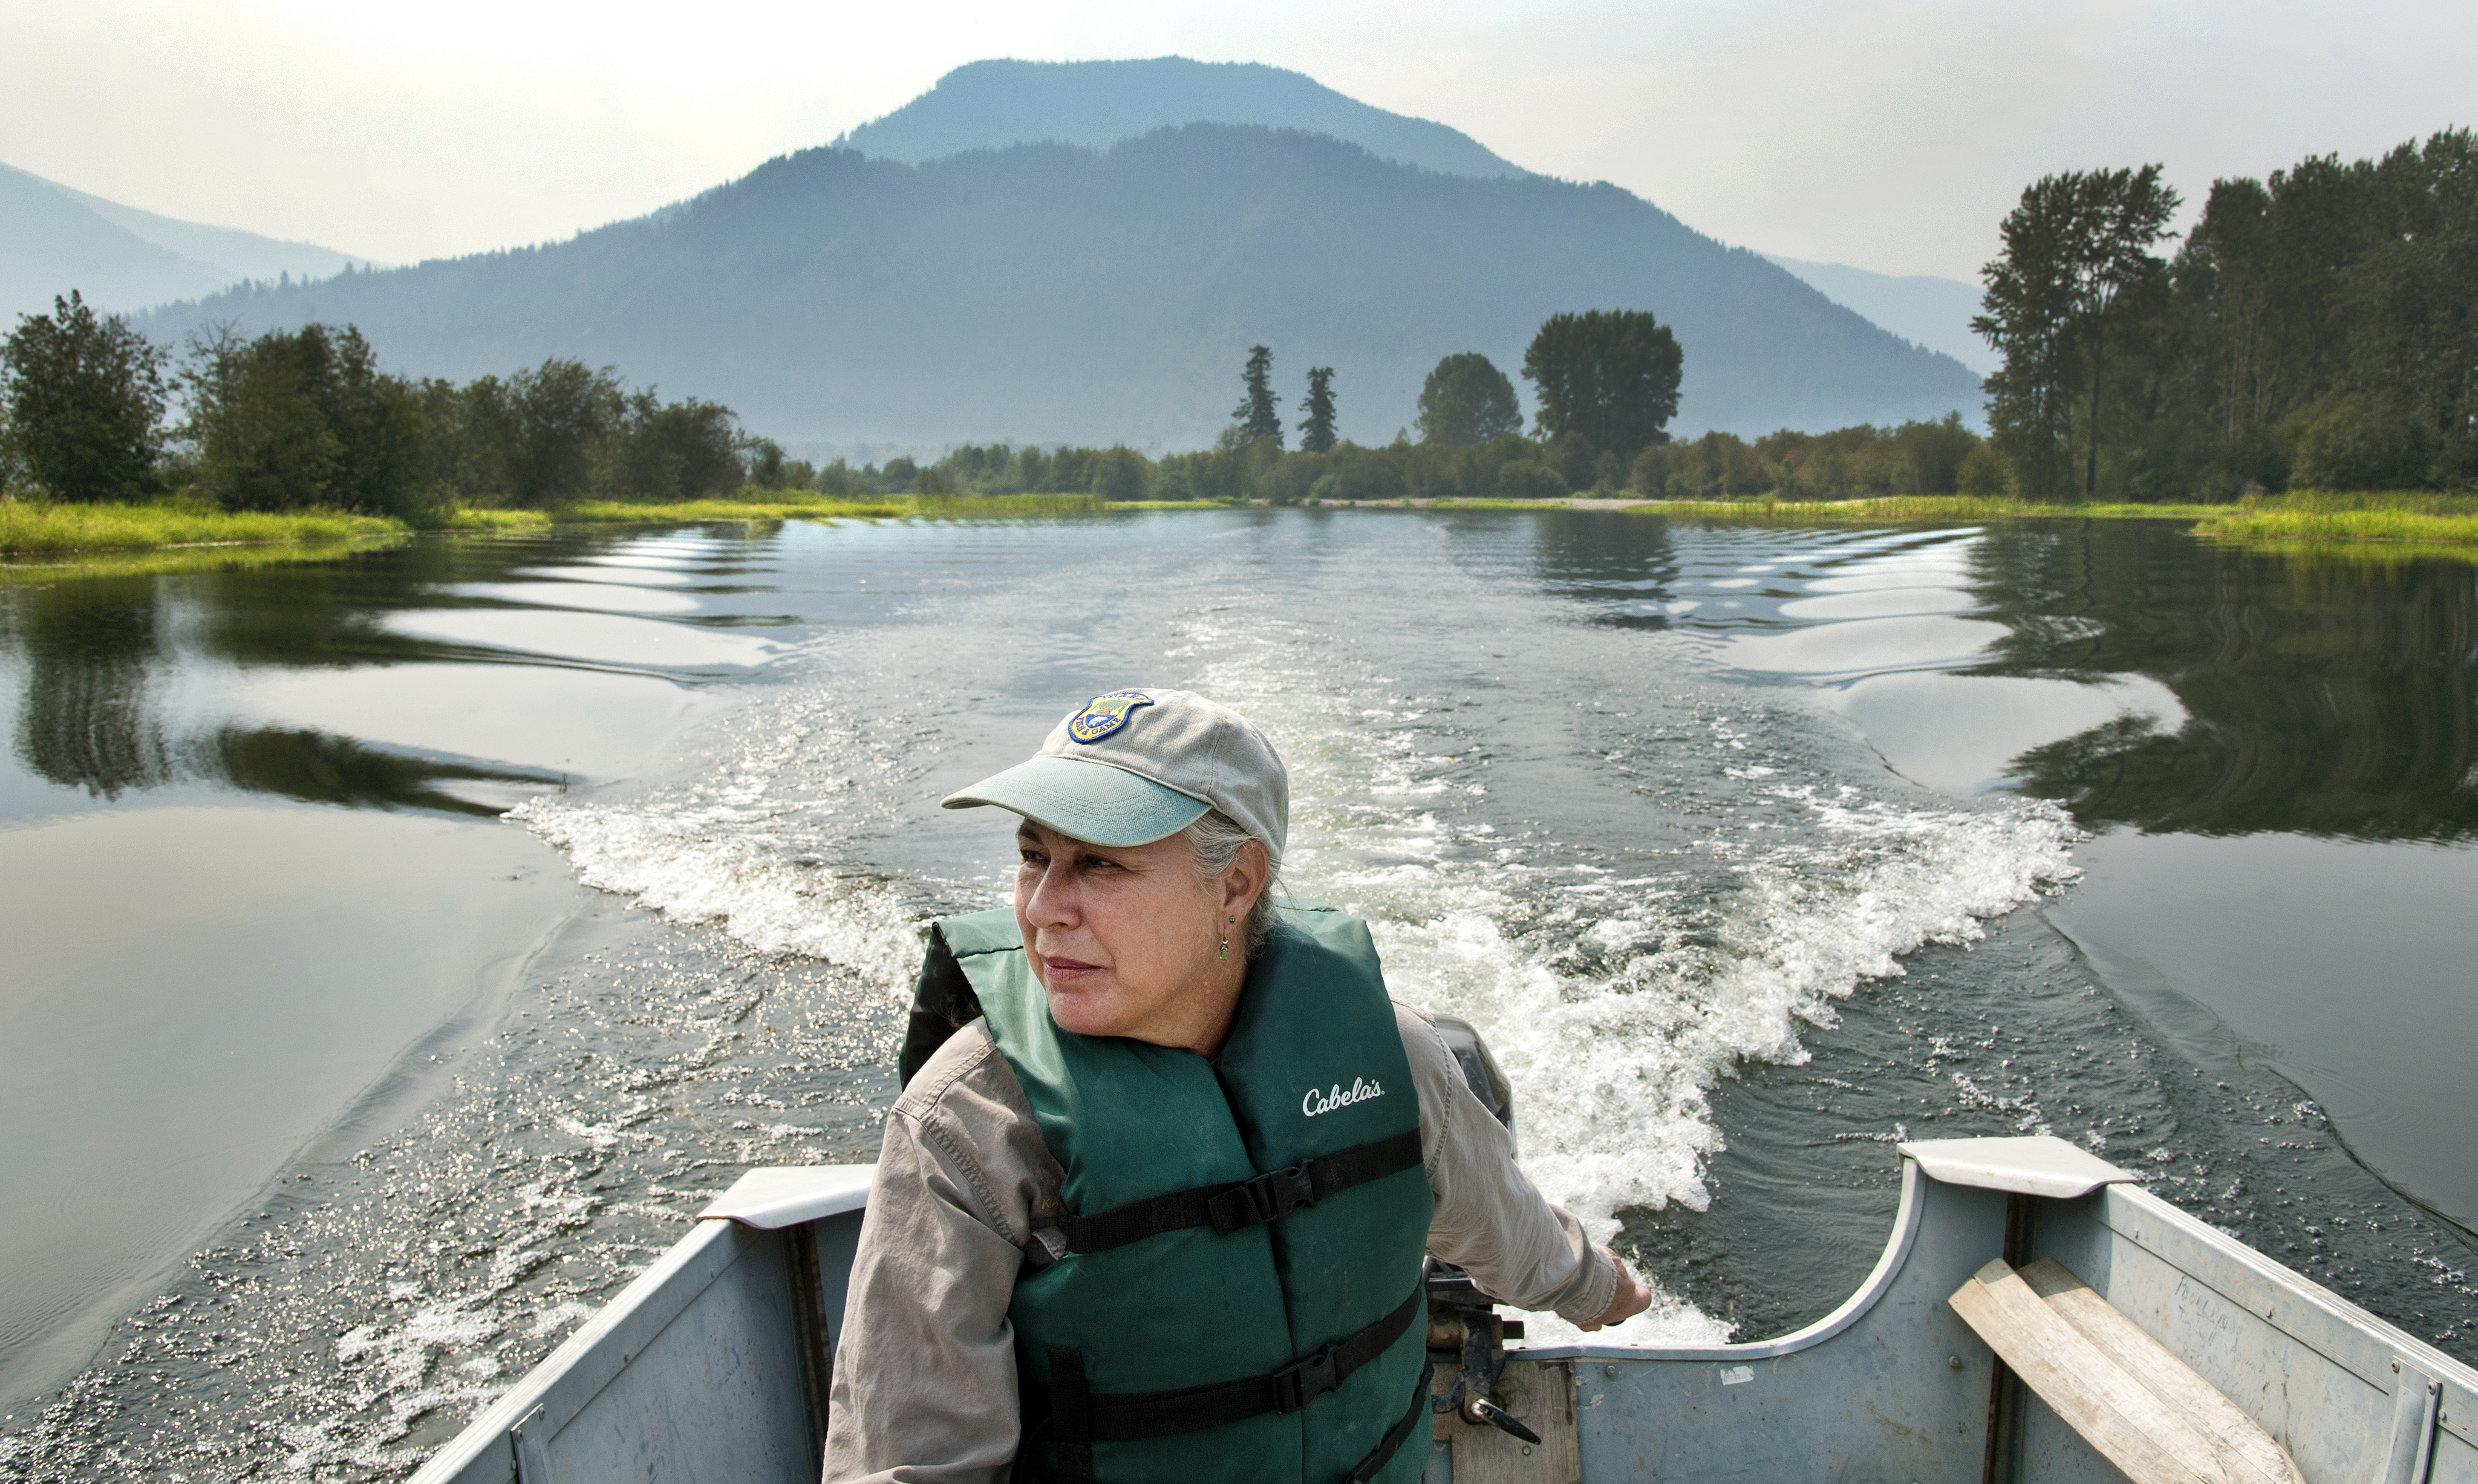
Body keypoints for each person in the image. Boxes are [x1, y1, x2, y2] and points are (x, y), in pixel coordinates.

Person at [824, 688, 1651, 1484]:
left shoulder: (1393, 1053)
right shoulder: (969, 1121)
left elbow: (1510, 1230)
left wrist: (1599, 1289)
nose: (1043, 909)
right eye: (1034, 856)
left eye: (1099, 863)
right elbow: (911, 1463)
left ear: (1235, 885)